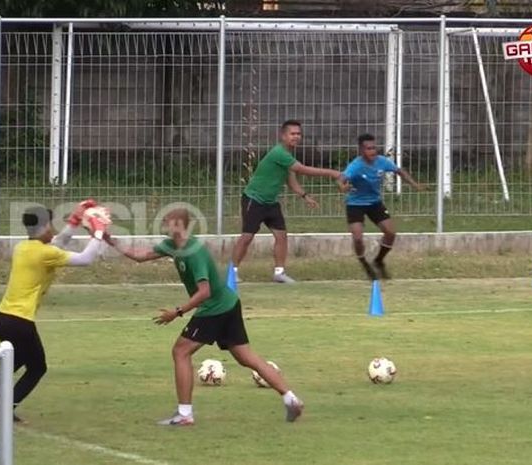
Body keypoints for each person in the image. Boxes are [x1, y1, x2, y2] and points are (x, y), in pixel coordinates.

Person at [107, 208, 304, 426]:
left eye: (167, 220)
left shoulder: (194, 252)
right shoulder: (172, 245)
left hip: (215, 307)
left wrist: (177, 312)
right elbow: (140, 256)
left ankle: (184, 414)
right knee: (246, 357)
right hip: (228, 303)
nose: (163, 223)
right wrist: (109, 239)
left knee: (180, 351)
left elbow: (204, 292)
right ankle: (291, 399)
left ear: (179, 224)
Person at [0, 201, 109, 421]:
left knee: (14, 360)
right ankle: (4, 409)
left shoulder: (24, 247)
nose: (53, 230)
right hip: (20, 321)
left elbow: (58, 243)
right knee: (37, 367)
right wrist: (98, 231)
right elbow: (85, 259)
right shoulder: (44, 253)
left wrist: (74, 221)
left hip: (2, 317)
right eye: (50, 226)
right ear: (44, 228)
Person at [231, 120, 342, 283]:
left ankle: (279, 273)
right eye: (292, 134)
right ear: (283, 136)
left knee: (281, 236)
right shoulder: (279, 153)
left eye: (298, 134)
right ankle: (232, 272)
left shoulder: (287, 156)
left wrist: (304, 195)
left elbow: (291, 179)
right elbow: (302, 169)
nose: (296, 137)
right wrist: (333, 173)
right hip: (254, 199)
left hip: (271, 202)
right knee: (247, 237)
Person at [339, 134, 424, 280]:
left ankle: (378, 260)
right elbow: (342, 179)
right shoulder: (356, 166)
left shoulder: (382, 162)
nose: (372, 151)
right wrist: (343, 187)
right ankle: (364, 262)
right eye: (368, 148)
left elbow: (399, 171)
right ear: (361, 150)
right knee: (358, 238)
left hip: (375, 203)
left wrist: (414, 184)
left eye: (374, 148)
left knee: (390, 232)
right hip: (355, 204)